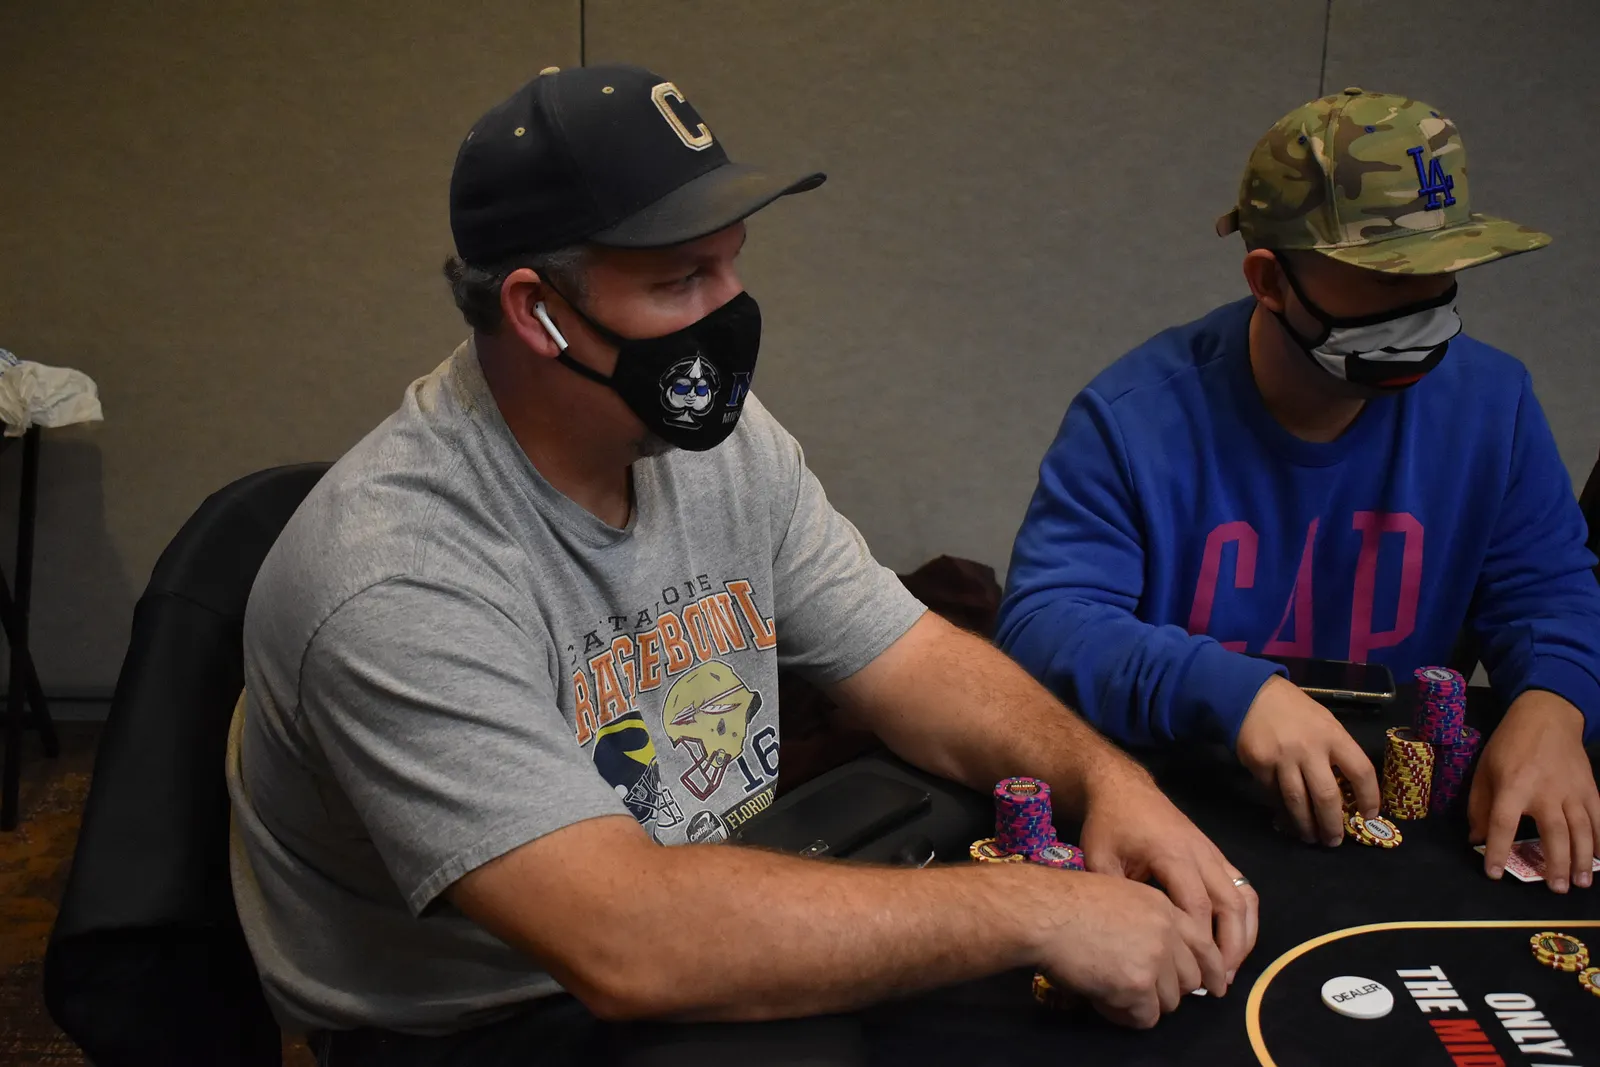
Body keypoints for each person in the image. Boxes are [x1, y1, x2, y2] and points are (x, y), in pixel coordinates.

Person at [226, 64, 1259, 1063]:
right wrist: (1036, 909)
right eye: (682, 279)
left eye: (732, 263)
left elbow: (906, 656)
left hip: (704, 892)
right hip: (495, 1012)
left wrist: (1106, 782)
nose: (730, 312)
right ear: (536, 312)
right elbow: (621, 939)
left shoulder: (709, 441)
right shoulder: (394, 576)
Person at [998, 88, 1600, 896]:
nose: (1420, 315)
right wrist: (1235, 694)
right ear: (1270, 280)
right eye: (1384, 280)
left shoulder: (1495, 404)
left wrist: (1555, 704)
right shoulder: (1131, 419)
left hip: (1393, 819)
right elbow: (1043, 626)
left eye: (1441, 274)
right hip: (1186, 808)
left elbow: (1550, 592)